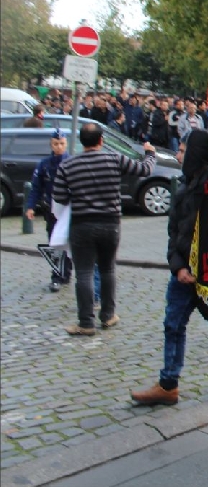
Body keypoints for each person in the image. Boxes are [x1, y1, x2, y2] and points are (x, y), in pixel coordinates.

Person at [130, 131, 208, 405]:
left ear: (196, 153)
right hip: (183, 271)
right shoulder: (184, 184)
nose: (177, 155)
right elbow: (174, 231)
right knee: (173, 325)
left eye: (183, 151)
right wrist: (178, 267)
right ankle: (168, 384)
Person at [52, 122, 157, 336]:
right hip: (110, 224)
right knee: (108, 269)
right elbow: (144, 169)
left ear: (81, 141)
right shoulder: (114, 159)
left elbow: (59, 197)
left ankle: (86, 322)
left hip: (82, 225)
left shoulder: (68, 165)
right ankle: (108, 315)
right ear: (101, 140)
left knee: (84, 272)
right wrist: (150, 153)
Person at [26, 128, 73, 291]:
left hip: (68, 210)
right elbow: (36, 188)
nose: (59, 147)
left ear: (66, 144)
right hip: (51, 209)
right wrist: (31, 206)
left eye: (62, 143)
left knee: (68, 242)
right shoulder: (44, 164)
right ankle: (57, 276)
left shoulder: (71, 162)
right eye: (56, 144)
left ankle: (66, 272)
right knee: (54, 242)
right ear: (51, 145)